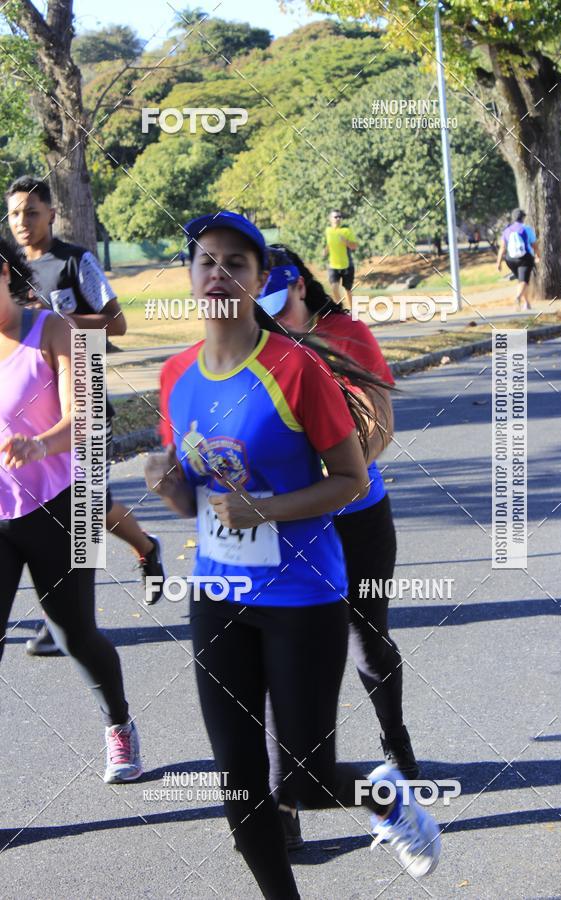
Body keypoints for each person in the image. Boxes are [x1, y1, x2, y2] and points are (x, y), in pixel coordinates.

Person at [146, 211, 440, 897]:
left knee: (305, 781)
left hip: (301, 594)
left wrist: (269, 509)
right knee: (239, 781)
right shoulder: (174, 376)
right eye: (206, 261)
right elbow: (197, 500)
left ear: (257, 281)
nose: (218, 274)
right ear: (189, 276)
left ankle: (385, 797)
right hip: (218, 594)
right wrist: (167, 488)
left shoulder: (295, 367)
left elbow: (352, 479)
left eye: (235, 264)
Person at [255, 245, 419, 849]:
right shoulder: (255, 345)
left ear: (299, 286)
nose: (270, 318)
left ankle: (395, 743)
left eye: (277, 304)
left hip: (357, 516)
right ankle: (283, 801)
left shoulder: (345, 334)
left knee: (367, 640)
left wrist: (334, 477)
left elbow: (379, 422)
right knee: (282, 659)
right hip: (291, 528)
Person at [0, 238, 142, 783]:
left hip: (70, 501)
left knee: (74, 634)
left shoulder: (54, 330)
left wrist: (39, 445)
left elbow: (82, 416)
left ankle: (119, 725)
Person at [6, 176, 165, 655]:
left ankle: (74, 621)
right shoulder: (8, 270)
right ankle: (147, 548)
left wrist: (54, 320)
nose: (22, 222)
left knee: (85, 507)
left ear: (52, 214)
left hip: (82, 399)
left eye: (31, 212)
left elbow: (116, 323)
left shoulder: (77, 261)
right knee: (61, 506)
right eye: (14, 214)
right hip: (23, 411)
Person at [497, 208, 539, 310]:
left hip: (510, 259)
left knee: (521, 281)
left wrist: (498, 262)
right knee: (524, 281)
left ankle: (527, 304)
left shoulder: (507, 230)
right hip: (525, 258)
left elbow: (502, 247)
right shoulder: (527, 229)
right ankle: (518, 297)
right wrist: (538, 256)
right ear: (523, 218)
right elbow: (534, 245)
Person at [323, 209, 357, 307]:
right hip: (333, 265)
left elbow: (354, 246)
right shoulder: (328, 231)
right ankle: (340, 309)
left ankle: (352, 312)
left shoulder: (346, 230)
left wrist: (345, 241)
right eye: (335, 217)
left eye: (339, 217)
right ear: (330, 219)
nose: (338, 219)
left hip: (347, 265)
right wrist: (325, 251)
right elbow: (329, 243)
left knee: (348, 290)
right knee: (334, 288)